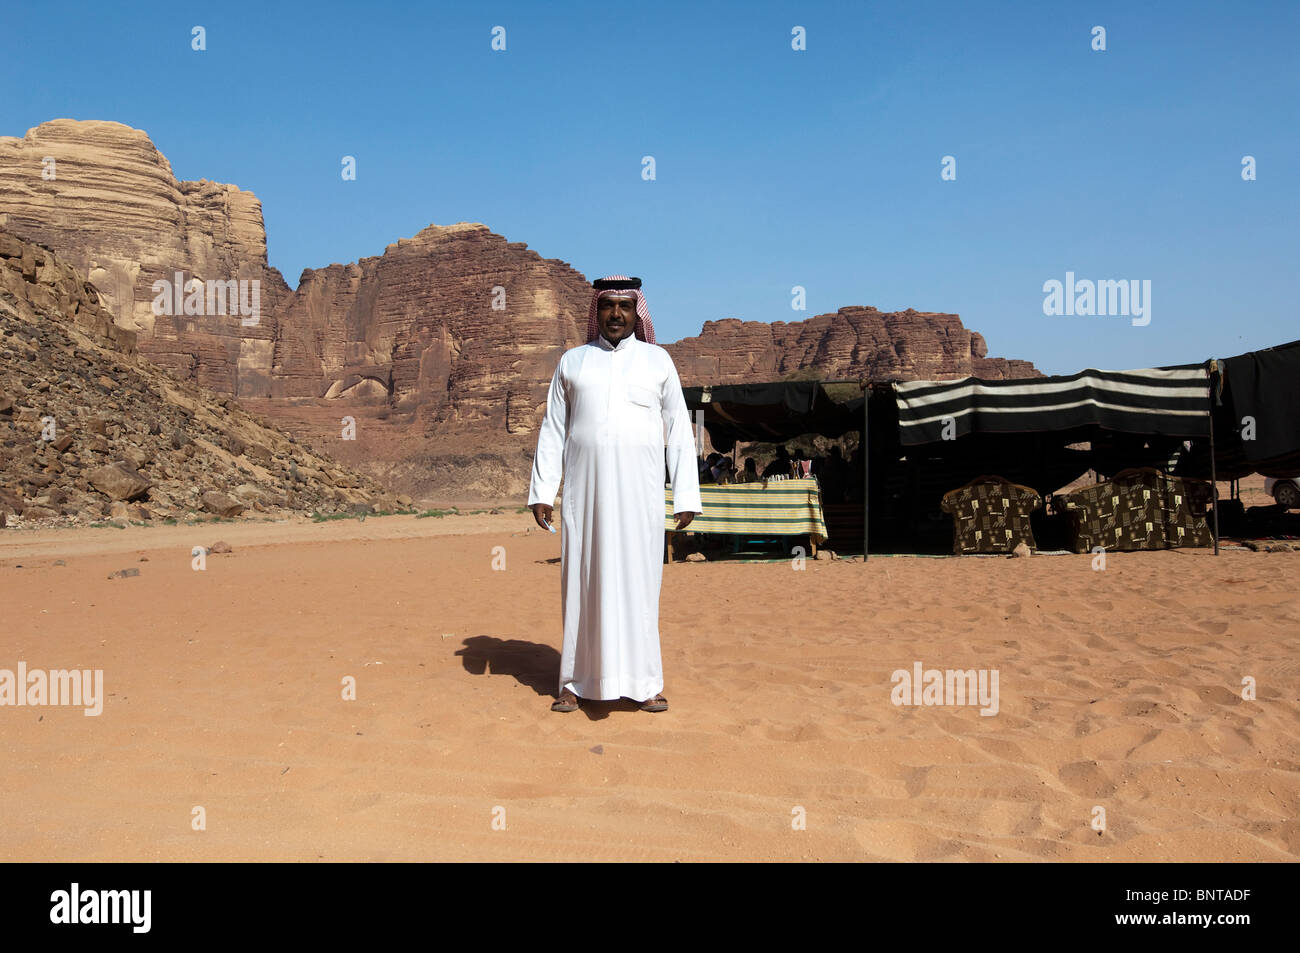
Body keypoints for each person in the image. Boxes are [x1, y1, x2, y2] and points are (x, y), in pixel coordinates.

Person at [528, 275, 702, 714]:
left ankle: (644, 683)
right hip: (584, 498)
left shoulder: (658, 361)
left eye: (626, 306)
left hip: (639, 497)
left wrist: (685, 494)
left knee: (639, 584)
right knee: (582, 583)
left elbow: (679, 429)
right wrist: (543, 490)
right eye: (608, 306)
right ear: (597, 311)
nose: (617, 314)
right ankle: (574, 681)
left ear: (637, 312)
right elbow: (553, 430)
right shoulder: (572, 362)